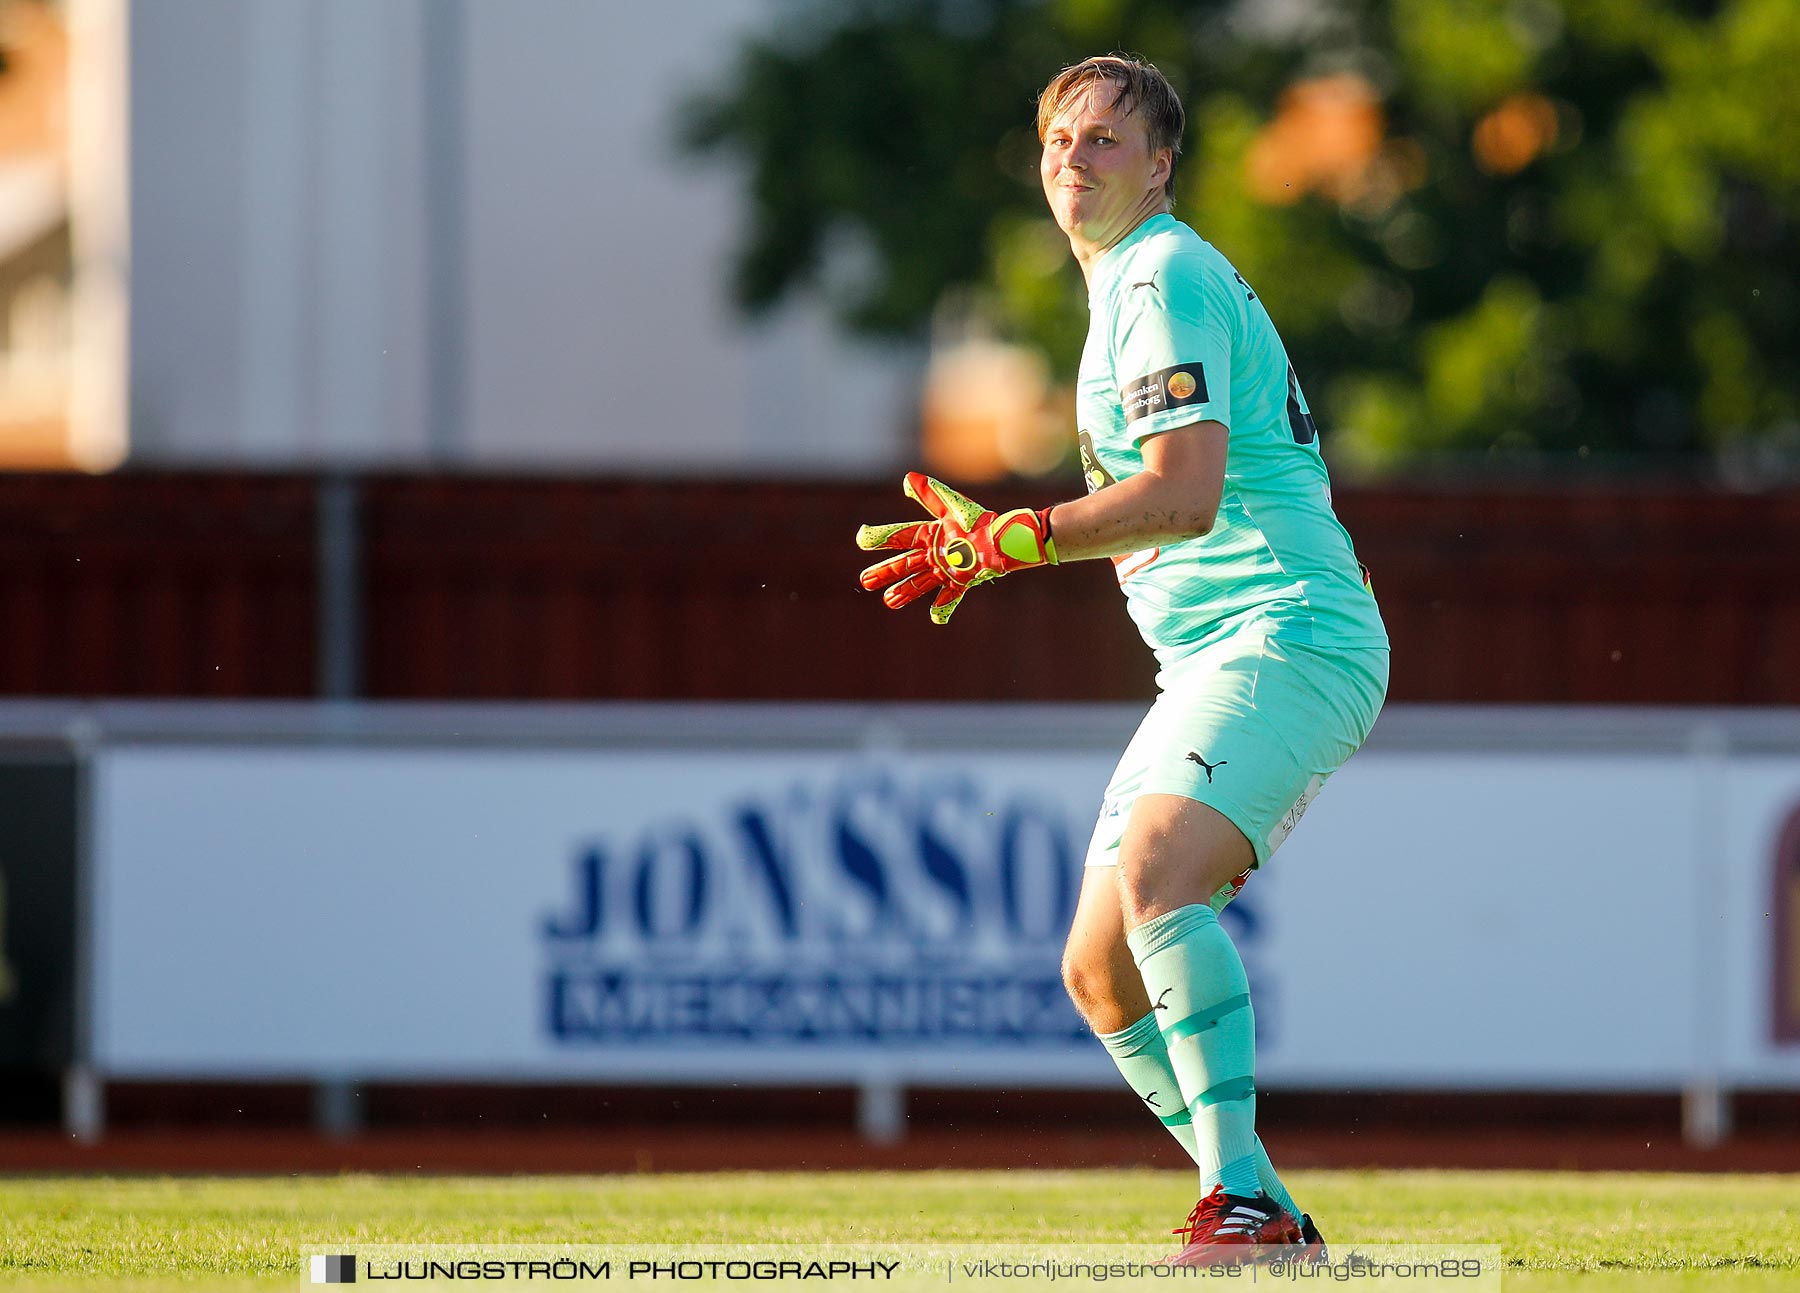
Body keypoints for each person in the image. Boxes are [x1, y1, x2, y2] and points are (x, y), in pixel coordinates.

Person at [856, 53, 1390, 1266]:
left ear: (1160, 165)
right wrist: (1010, 543)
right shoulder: (1130, 286)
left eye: (1105, 139)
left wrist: (1017, 539)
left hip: (1287, 627)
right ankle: (1262, 1207)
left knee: (1156, 872)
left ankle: (1242, 1207)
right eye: (1056, 140)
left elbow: (1188, 496)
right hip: (1217, 650)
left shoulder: (1159, 273)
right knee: (1099, 974)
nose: (1072, 159)